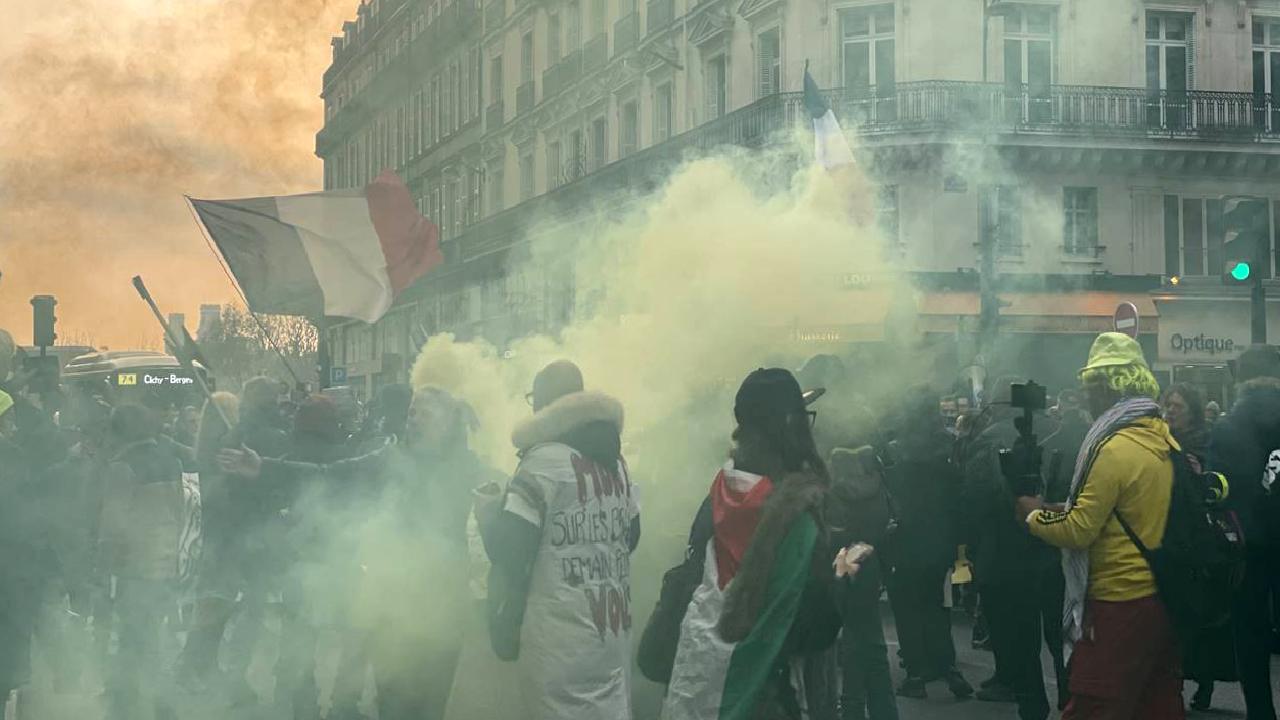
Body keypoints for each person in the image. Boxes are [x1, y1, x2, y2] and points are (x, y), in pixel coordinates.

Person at [1016, 332, 1181, 718]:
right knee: (1155, 705)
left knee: (1094, 706)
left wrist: (1033, 515)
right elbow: (1130, 507)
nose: (1086, 395)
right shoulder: (1161, 436)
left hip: (1118, 600)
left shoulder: (1114, 447)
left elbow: (1079, 530)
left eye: (1090, 386)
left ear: (1107, 386)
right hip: (1160, 599)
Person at [662, 367, 842, 720]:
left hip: (698, 685)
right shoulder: (797, 515)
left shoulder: (716, 497)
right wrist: (844, 577)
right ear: (791, 424)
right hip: (764, 695)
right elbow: (816, 628)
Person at [478, 360, 639, 720]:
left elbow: (510, 551)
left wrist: (488, 513)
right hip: (610, 635)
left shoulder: (542, 464)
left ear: (544, 404)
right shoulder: (618, 464)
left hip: (557, 645)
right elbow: (632, 536)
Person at [958, 380, 1056, 720]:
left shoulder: (988, 439)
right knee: (1057, 636)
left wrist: (970, 544)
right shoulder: (1057, 430)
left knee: (1015, 630)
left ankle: (1029, 700)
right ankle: (1074, 700)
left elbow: (976, 496)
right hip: (1054, 545)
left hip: (1003, 549)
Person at [882, 390, 972, 701]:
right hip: (940, 542)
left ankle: (916, 675)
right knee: (935, 606)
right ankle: (949, 670)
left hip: (904, 540)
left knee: (906, 609)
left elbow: (891, 498)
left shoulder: (896, 453)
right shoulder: (946, 449)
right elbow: (959, 497)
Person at [98, 403, 187, 720]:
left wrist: (105, 565)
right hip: (167, 563)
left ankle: (129, 701)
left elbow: (114, 524)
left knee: (136, 634)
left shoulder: (122, 467)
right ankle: (159, 700)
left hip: (135, 567)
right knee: (156, 631)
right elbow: (180, 510)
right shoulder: (171, 462)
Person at [1210, 346, 1280, 720]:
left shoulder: (1227, 426)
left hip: (1248, 547)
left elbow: (1217, 493)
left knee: (1250, 635)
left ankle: (1261, 712)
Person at [828, 444, 899, 720]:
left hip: (842, 572)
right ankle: (885, 711)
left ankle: (852, 709)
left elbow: (832, 537)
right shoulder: (878, 486)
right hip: (870, 571)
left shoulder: (833, 494)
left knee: (852, 647)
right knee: (872, 642)